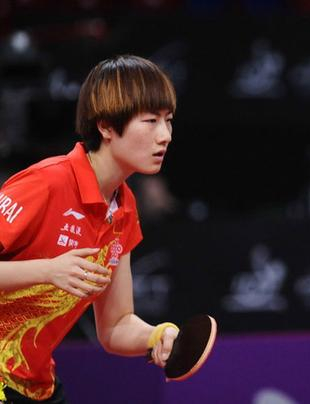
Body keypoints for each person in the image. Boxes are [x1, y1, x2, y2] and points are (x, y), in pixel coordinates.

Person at [0, 55, 181, 402]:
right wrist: (48, 271)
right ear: (106, 127)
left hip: (35, 384)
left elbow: (115, 325)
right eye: (150, 121)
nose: (165, 136)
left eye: (168, 121)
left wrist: (157, 335)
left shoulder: (124, 208)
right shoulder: (46, 183)